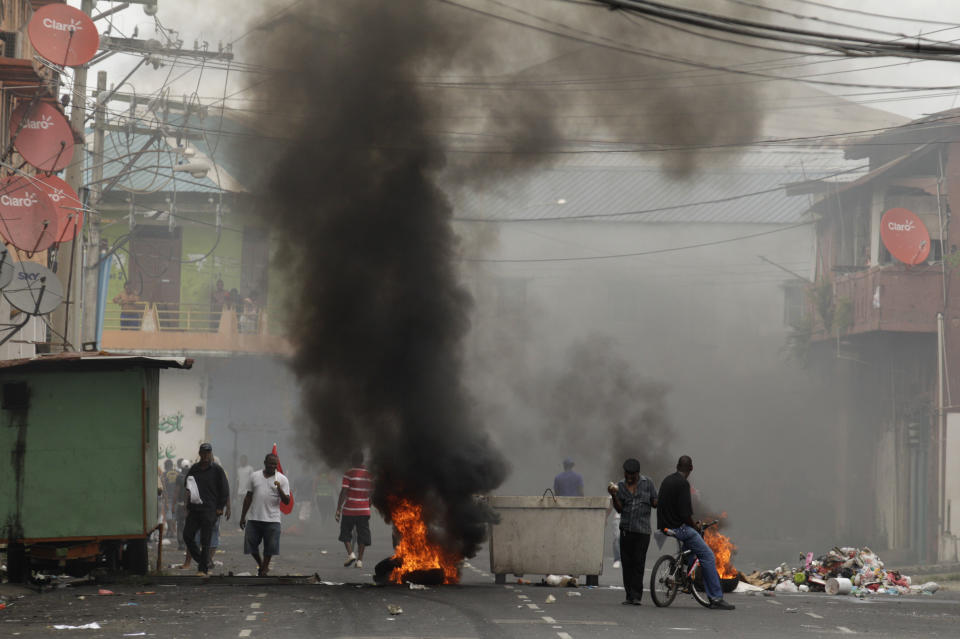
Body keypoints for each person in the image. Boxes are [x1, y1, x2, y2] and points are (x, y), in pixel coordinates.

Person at [656, 455, 735, 611]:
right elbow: (686, 514)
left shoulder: (667, 481)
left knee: (691, 549)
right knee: (708, 556)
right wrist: (695, 525)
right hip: (680, 528)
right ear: (690, 468)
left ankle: (684, 574)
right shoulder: (683, 484)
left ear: (677, 466)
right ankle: (716, 598)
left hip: (665, 527)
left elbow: (660, 504)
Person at [607, 458, 657, 605]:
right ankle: (629, 595)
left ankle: (636, 596)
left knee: (638, 563)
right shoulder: (620, 485)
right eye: (627, 473)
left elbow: (655, 501)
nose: (629, 477)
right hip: (626, 530)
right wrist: (613, 495)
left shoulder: (648, 483)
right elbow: (619, 509)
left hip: (642, 531)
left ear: (637, 473)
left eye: (632, 475)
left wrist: (659, 501)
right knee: (627, 564)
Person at [182, 443, 230, 576]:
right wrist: (187, 505)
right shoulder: (194, 469)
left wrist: (221, 507)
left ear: (211, 454)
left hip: (210, 510)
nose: (205, 455)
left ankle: (203, 569)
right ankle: (204, 560)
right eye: (203, 453)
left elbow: (225, 489)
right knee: (187, 535)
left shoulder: (217, 470)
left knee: (205, 539)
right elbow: (187, 485)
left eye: (208, 453)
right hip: (195, 509)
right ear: (199, 454)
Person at [239, 453, 291, 576]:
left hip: (273, 519)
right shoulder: (254, 476)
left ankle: (264, 568)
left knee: (270, 547)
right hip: (254, 518)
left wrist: (279, 489)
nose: (272, 466)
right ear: (265, 462)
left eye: (275, 464)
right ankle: (261, 564)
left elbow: (287, 501)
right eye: (270, 463)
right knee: (250, 545)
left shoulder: (282, 479)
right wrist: (242, 517)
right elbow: (248, 497)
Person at [336, 451, 372, 569]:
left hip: (349, 510)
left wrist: (338, 509)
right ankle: (360, 561)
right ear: (362, 461)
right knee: (362, 535)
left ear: (352, 461)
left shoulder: (349, 473)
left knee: (345, 532)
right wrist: (367, 506)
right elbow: (371, 493)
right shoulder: (369, 475)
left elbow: (344, 491)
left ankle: (351, 554)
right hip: (364, 510)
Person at [161, 460, 180, 540]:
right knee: (174, 514)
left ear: (165, 465)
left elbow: (163, 486)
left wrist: (164, 496)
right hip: (177, 497)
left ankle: (172, 531)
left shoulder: (164, 474)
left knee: (169, 514)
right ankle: (170, 531)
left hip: (168, 496)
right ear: (172, 465)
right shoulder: (177, 473)